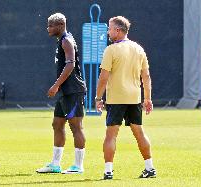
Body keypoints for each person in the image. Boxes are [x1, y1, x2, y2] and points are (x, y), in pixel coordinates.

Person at [95, 16, 156, 179]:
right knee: (140, 133)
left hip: (116, 99)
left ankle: (108, 171)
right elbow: (146, 76)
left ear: (118, 30)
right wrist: (148, 98)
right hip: (134, 98)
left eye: (110, 28)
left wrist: (98, 98)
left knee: (111, 135)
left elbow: (103, 77)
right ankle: (150, 168)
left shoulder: (111, 50)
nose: (108, 31)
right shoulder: (139, 49)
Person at [36, 13, 87, 174]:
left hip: (73, 91)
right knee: (57, 124)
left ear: (60, 26)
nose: (48, 28)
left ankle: (78, 166)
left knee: (76, 127)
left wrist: (56, 85)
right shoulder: (62, 40)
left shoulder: (66, 41)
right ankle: (55, 164)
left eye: (51, 25)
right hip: (65, 92)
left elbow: (70, 65)